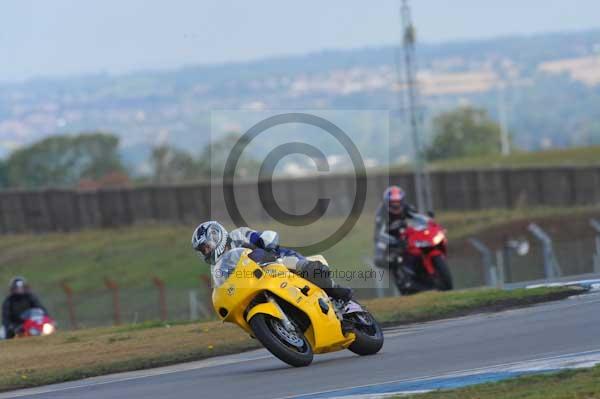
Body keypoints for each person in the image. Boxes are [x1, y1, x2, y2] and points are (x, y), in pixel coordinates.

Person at [191, 221, 352, 302]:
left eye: (205, 247)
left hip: (275, 261)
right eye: (202, 251)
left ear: (216, 236)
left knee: (299, 265)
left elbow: (264, 236)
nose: (206, 252)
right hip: (255, 283)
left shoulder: (238, 235)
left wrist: (267, 242)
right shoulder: (218, 268)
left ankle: (335, 290)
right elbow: (225, 288)